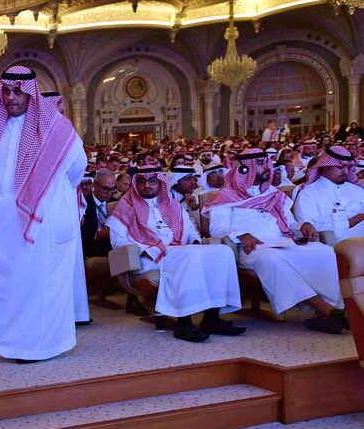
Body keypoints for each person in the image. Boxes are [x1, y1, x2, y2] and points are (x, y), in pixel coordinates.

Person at [0, 65, 87, 363]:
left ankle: (32, 346)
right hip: (3, 221)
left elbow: (76, 169)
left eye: (18, 92)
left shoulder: (56, 129)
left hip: (40, 221)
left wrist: (41, 196)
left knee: (34, 282)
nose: (11, 97)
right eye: (6, 91)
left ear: (31, 94)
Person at [205, 149, 345, 334]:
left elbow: (291, 222)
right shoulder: (225, 196)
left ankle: (324, 316)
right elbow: (216, 228)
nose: (268, 167)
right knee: (272, 259)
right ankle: (329, 311)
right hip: (254, 248)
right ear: (246, 169)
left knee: (324, 253)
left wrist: (304, 225)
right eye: (261, 164)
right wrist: (241, 234)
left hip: (285, 241)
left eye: (266, 163)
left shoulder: (274, 194)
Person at [107, 166, 244, 342]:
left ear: (160, 183)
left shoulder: (172, 205)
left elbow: (190, 231)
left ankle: (211, 319)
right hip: (150, 257)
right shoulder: (126, 206)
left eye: (152, 181)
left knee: (222, 252)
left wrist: (195, 242)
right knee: (189, 257)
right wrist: (148, 250)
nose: (147, 185)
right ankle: (183, 324)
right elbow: (118, 241)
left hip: (178, 250)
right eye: (141, 181)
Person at [83, 169, 148, 316]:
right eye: (105, 188)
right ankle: (132, 297)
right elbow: (82, 235)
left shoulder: (115, 202)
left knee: (131, 247)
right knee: (124, 251)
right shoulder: (84, 203)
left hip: (112, 244)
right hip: (93, 246)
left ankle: (136, 294)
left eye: (112, 189)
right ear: (95, 185)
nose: (109, 193)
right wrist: (103, 233)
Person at [292, 145, 364, 242]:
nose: (345, 171)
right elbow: (311, 229)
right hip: (337, 244)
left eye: (346, 166)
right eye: (340, 167)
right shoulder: (308, 194)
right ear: (325, 167)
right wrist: (351, 222)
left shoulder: (356, 190)